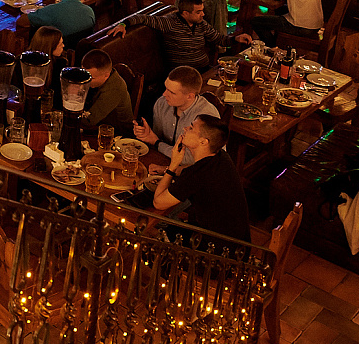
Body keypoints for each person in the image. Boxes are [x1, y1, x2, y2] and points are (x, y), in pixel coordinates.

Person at [154, 115, 251, 245]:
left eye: (191, 128)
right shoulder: (221, 157)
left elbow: (158, 203)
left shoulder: (198, 175)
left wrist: (172, 166)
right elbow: (192, 169)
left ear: (203, 142)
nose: (185, 128)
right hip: (240, 243)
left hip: (216, 249)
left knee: (157, 229)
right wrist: (167, 169)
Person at [110, 0, 246, 69]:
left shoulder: (201, 23)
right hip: (183, 74)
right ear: (185, 13)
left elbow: (219, 39)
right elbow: (142, 18)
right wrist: (123, 24)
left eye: (202, 11)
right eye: (198, 12)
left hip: (204, 69)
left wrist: (236, 39)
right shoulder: (169, 23)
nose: (203, 14)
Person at [132, 65, 220, 168]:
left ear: (190, 96)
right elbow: (157, 140)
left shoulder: (206, 116)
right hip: (164, 163)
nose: (164, 94)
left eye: (172, 92)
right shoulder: (162, 103)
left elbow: (191, 160)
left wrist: (156, 143)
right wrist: (148, 135)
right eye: (166, 88)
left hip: (194, 171)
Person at [78, 49, 134, 129]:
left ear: (106, 76)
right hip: (99, 123)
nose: (85, 80)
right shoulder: (98, 80)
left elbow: (89, 120)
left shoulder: (114, 89)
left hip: (117, 130)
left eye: (91, 78)